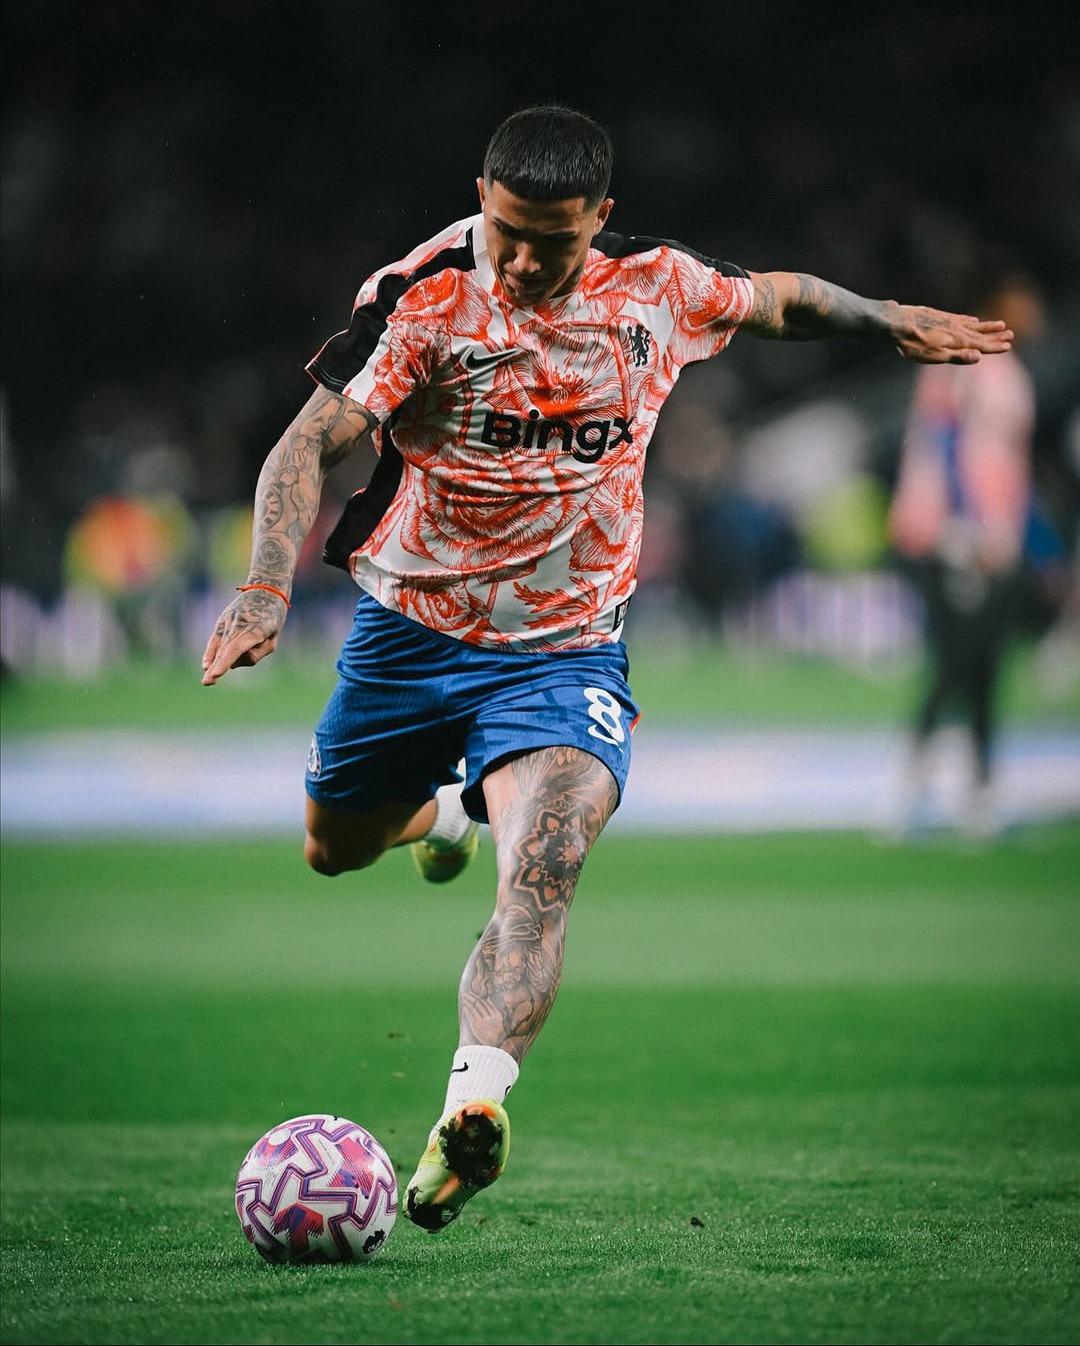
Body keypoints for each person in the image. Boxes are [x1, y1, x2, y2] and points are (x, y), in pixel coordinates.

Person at [201, 105, 1013, 1234]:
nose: (526, 261)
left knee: (547, 858)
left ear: (602, 219)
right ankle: (439, 817)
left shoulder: (658, 287)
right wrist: (264, 585)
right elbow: (306, 442)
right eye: (506, 232)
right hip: (412, 630)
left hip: (568, 646)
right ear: (481, 195)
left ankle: (471, 1100)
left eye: (555, 240)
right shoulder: (426, 296)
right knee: (332, 847)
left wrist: (890, 323)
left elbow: (783, 299)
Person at [887, 271, 1042, 837]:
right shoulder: (962, 361)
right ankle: (911, 789)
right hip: (954, 537)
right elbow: (949, 447)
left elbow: (1008, 466)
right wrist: (968, 529)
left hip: (994, 539)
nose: (1035, 309)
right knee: (955, 663)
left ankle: (978, 792)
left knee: (981, 667)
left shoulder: (1009, 370)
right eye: (1025, 298)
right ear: (997, 303)